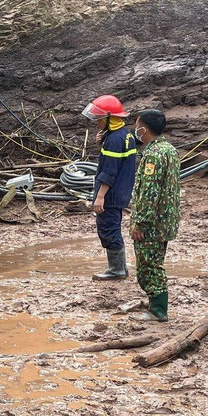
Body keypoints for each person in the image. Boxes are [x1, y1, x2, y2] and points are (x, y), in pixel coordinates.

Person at [129, 109, 181, 322]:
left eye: (137, 126)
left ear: (144, 129)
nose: (135, 130)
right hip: (165, 220)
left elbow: (150, 193)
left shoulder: (152, 155)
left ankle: (158, 310)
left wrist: (140, 223)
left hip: (151, 223)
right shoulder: (169, 149)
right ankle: (155, 303)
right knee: (154, 261)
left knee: (149, 266)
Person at [84, 94, 138, 281]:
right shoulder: (125, 135)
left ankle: (116, 270)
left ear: (109, 119)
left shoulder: (114, 140)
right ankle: (120, 267)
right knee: (113, 226)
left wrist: (100, 197)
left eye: (100, 119)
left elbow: (109, 171)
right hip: (121, 192)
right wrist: (101, 144)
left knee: (108, 228)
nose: (97, 123)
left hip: (111, 194)